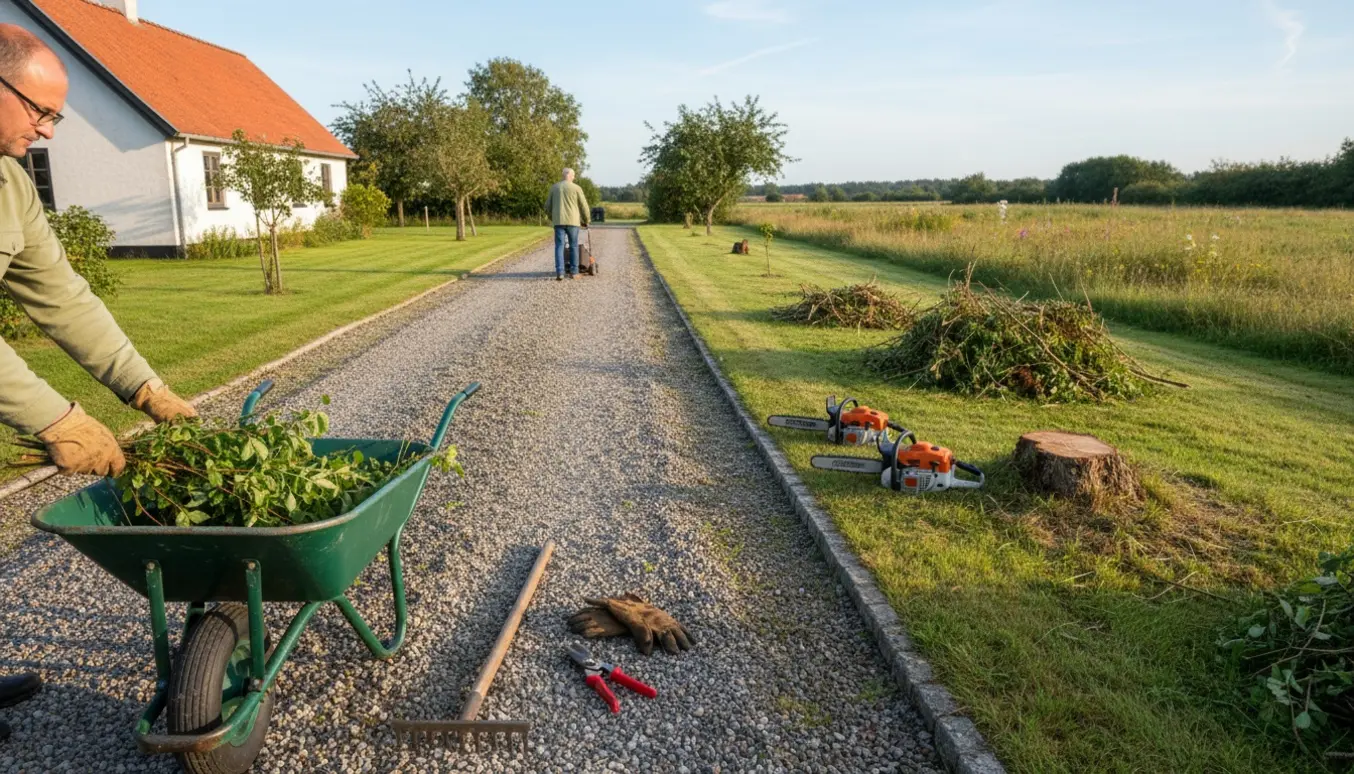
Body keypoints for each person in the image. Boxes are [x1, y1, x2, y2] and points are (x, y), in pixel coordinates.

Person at [0, 24, 196, 741]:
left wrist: (144, 388)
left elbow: (61, 295)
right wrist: (56, 420)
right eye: (40, 112)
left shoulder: (10, 181)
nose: (48, 130)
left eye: (57, 117)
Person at [545, 167, 590, 280]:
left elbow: (547, 207)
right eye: (573, 176)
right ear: (570, 176)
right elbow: (584, 206)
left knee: (559, 246)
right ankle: (574, 272)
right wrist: (586, 220)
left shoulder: (554, 188)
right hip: (573, 222)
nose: (574, 178)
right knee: (573, 246)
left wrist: (552, 217)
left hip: (558, 221)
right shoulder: (576, 188)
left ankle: (560, 272)